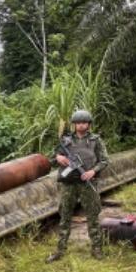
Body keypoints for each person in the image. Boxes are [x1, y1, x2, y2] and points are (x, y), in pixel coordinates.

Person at [46, 110, 109, 263]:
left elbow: (104, 161)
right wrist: (58, 157)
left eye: (84, 122)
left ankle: (96, 248)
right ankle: (60, 250)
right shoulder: (65, 141)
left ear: (89, 124)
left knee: (93, 215)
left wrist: (92, 171)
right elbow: (52, 159)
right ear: (74, 124)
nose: (81, 125)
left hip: (88, 183)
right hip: (69, 184)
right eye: (78, 123)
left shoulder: (95, 140)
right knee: (65, 215)